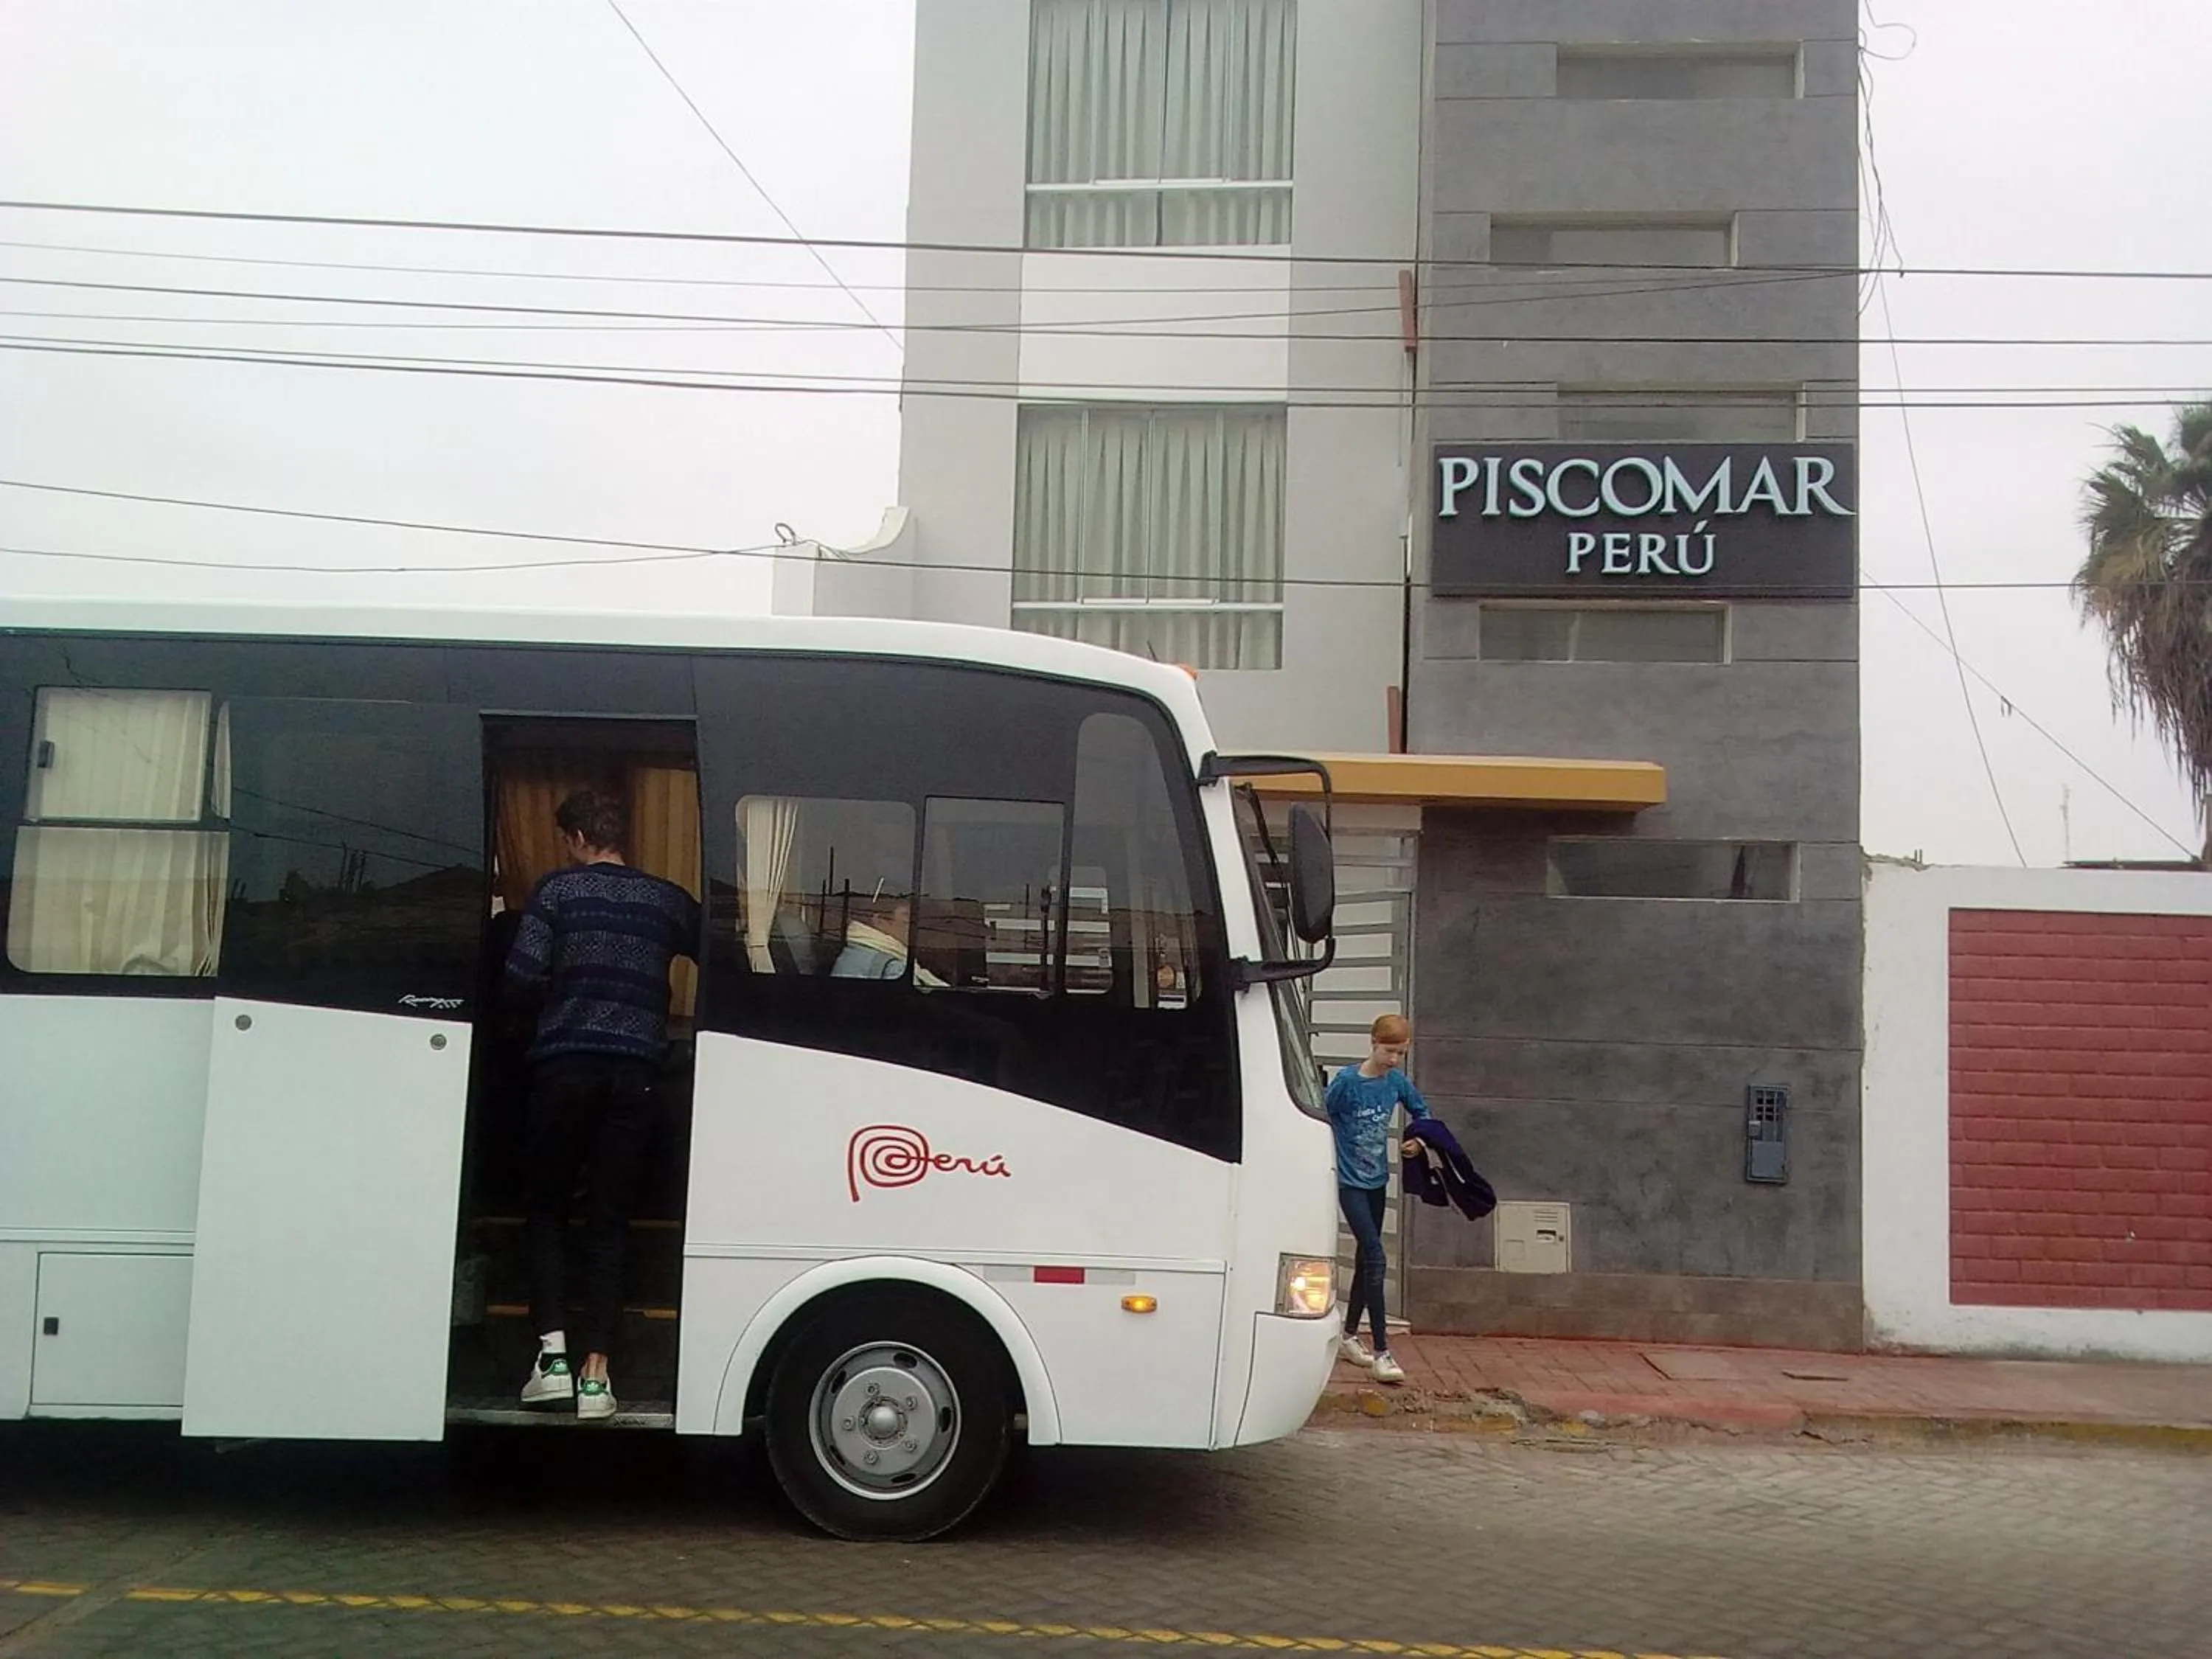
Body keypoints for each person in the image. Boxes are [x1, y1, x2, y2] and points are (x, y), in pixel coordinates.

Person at [504, 788, 700, 1421]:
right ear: (620, 838)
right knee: (610, 1220)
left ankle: (551, 1360)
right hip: (637, 1074)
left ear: (577, 839)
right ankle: (597, 1376)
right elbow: (722, 956)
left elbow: (522, 977)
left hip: (566, 1067)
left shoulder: (558, 893)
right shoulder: (666, 900)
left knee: (548, 1212)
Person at [1326, 1013, 1430, 1385]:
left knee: (1363, 1256)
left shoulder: (1396, 1082)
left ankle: (1350, 1336)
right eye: (1389, 1051)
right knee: (1375, 1255)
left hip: (1376, 1180)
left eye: (1401, 1053)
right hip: (1350, 1182)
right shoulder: (1347, 1083)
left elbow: (1422, 1112)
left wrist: (1418, 1138)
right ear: (1373, 1043)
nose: (1394, 1060)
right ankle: (1383, 1351)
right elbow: (1322, 1116)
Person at [830, 894, 946, 987]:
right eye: (907, 916)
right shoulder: (893, 970)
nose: (916, 924)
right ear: (880, 921)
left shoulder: (853, 953)